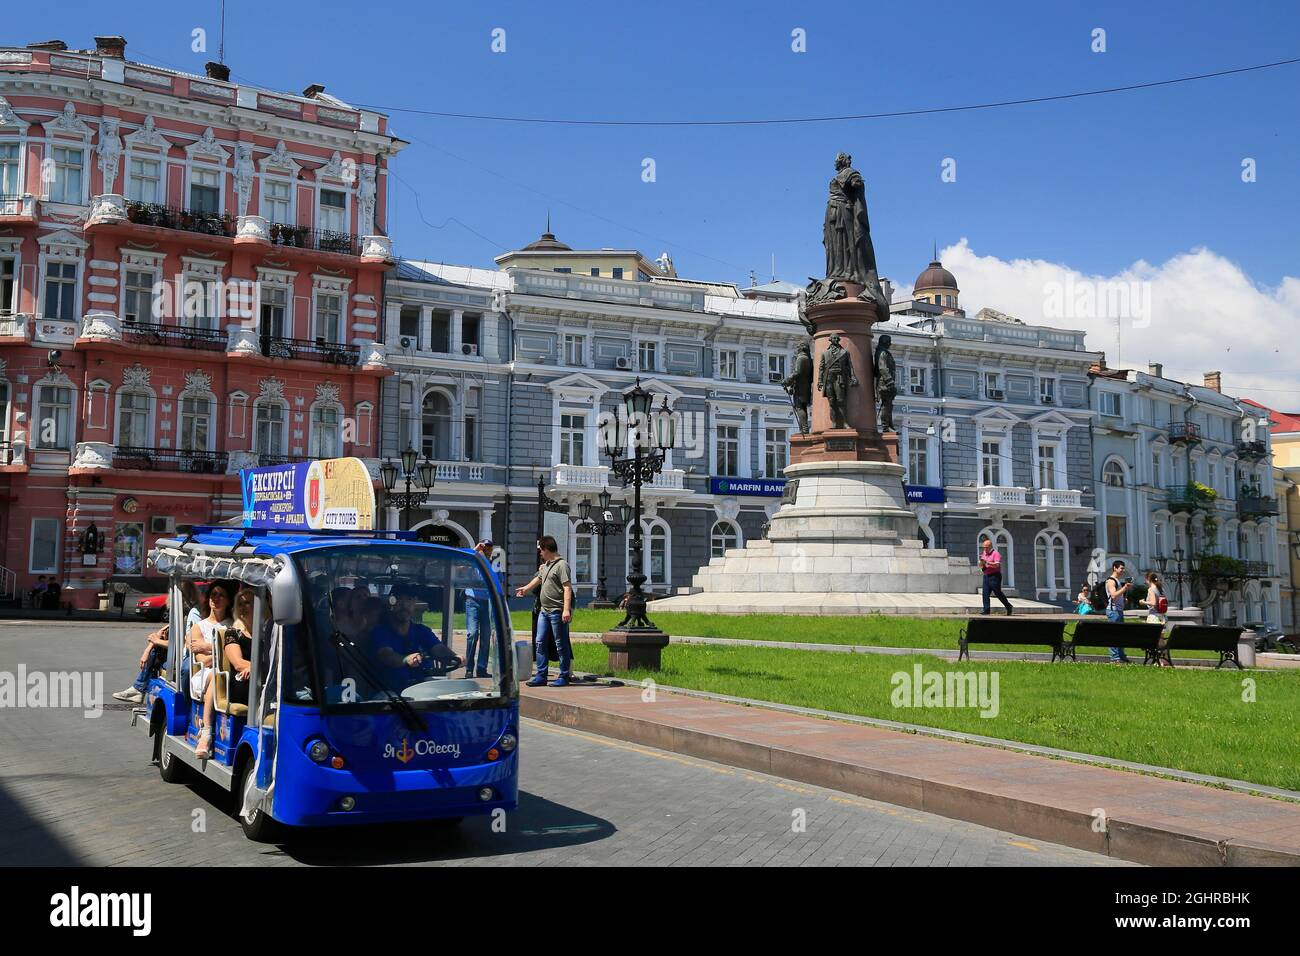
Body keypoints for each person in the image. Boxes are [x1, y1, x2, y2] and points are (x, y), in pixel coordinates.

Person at [373, 583, 462, 687]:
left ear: (415, 603)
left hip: (422, 691)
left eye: (409, 599)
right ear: (391, 602)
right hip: (391, 694)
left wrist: (455, 657)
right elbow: (386, 655)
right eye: (399, 599)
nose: (404, 605)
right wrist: (405, 659)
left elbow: (438, 649)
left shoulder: (422, 631)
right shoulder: (381, 632)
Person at [515, 535, 574, 687]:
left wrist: (566, 609)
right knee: (540, 642)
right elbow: (539, 579)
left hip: (557, 611)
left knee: (560, 644)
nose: (540, 553)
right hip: (544, 611)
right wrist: (526, 588)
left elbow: (567, 588)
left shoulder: (562, 565)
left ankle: (564, 676)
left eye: (541, 550)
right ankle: (541, 675)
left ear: (547, 549)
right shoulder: (547, 565)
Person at [189, 581, 234, 758]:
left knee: (219, 675)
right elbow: (202, 661)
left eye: (221, 595)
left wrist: (207, 646)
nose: (216, 599)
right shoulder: (198, 626)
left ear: (229, 600)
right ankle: (206, 732)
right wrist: (222, 651)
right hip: (203, 675)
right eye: (213, 594)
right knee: (216, 675)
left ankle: (208, 732)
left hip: (228, 674)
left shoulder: (234, 624)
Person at [464, 539, 501, 679]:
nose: (487, 550)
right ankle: (468, 668)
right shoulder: (473, 559)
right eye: (485, 547)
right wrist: (475, 550)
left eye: (490, 547)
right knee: (472, 634)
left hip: (487, 602)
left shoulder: (495, 562)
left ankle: (481, 668)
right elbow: (462, 565)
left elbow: (499, 582)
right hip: (472, 601)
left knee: (486, 636)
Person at [112, 622, 169, 702]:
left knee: (157, 653)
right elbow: (160, 632)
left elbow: (179, 644)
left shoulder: (190, 619)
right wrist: (147, 650)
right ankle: (139, 688)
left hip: (181, 660)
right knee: (155, 650)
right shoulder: (180, 619)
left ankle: (139, 688)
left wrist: (156, 641)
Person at [1104, 560, 1133, 664]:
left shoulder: (1117, 580)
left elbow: (1117, 596)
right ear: (1115, 568)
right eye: (1121, 568)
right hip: (1113, 612)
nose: (1123, 570)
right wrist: (1125, 588)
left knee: (1120, 635)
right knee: (1114, 634)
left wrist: (1124, 599)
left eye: (1123, 568)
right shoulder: (1111, 581)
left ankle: (1121, 656)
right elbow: (1113, 595)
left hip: (1118, 611)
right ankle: (1115, 657)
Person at [1141, 571, 1171, 667]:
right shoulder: (1161, 589)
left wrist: (1143, 602)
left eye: (1145, 580)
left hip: (1154, 617)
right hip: (1162, 617)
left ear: (1148, 579)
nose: (1145, 582)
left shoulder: (1151, 589)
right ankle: (1164, 660)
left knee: (1155, 640)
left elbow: (1153, 603)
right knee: (1161, 639)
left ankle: (1158, 660)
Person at [977, 537, 1013, 616]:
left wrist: (987, 562)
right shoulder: (984, 553)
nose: (984, 549)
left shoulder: (995, 554)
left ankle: (1008, 606)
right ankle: (986, 610)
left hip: (995, 576)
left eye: (986, 547)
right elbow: (982, 564)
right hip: (986, 576)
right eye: (983, 547)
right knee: (985, 593)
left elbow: (997, 565)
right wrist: (981, 564)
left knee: (998, 593)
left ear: (990, 546)